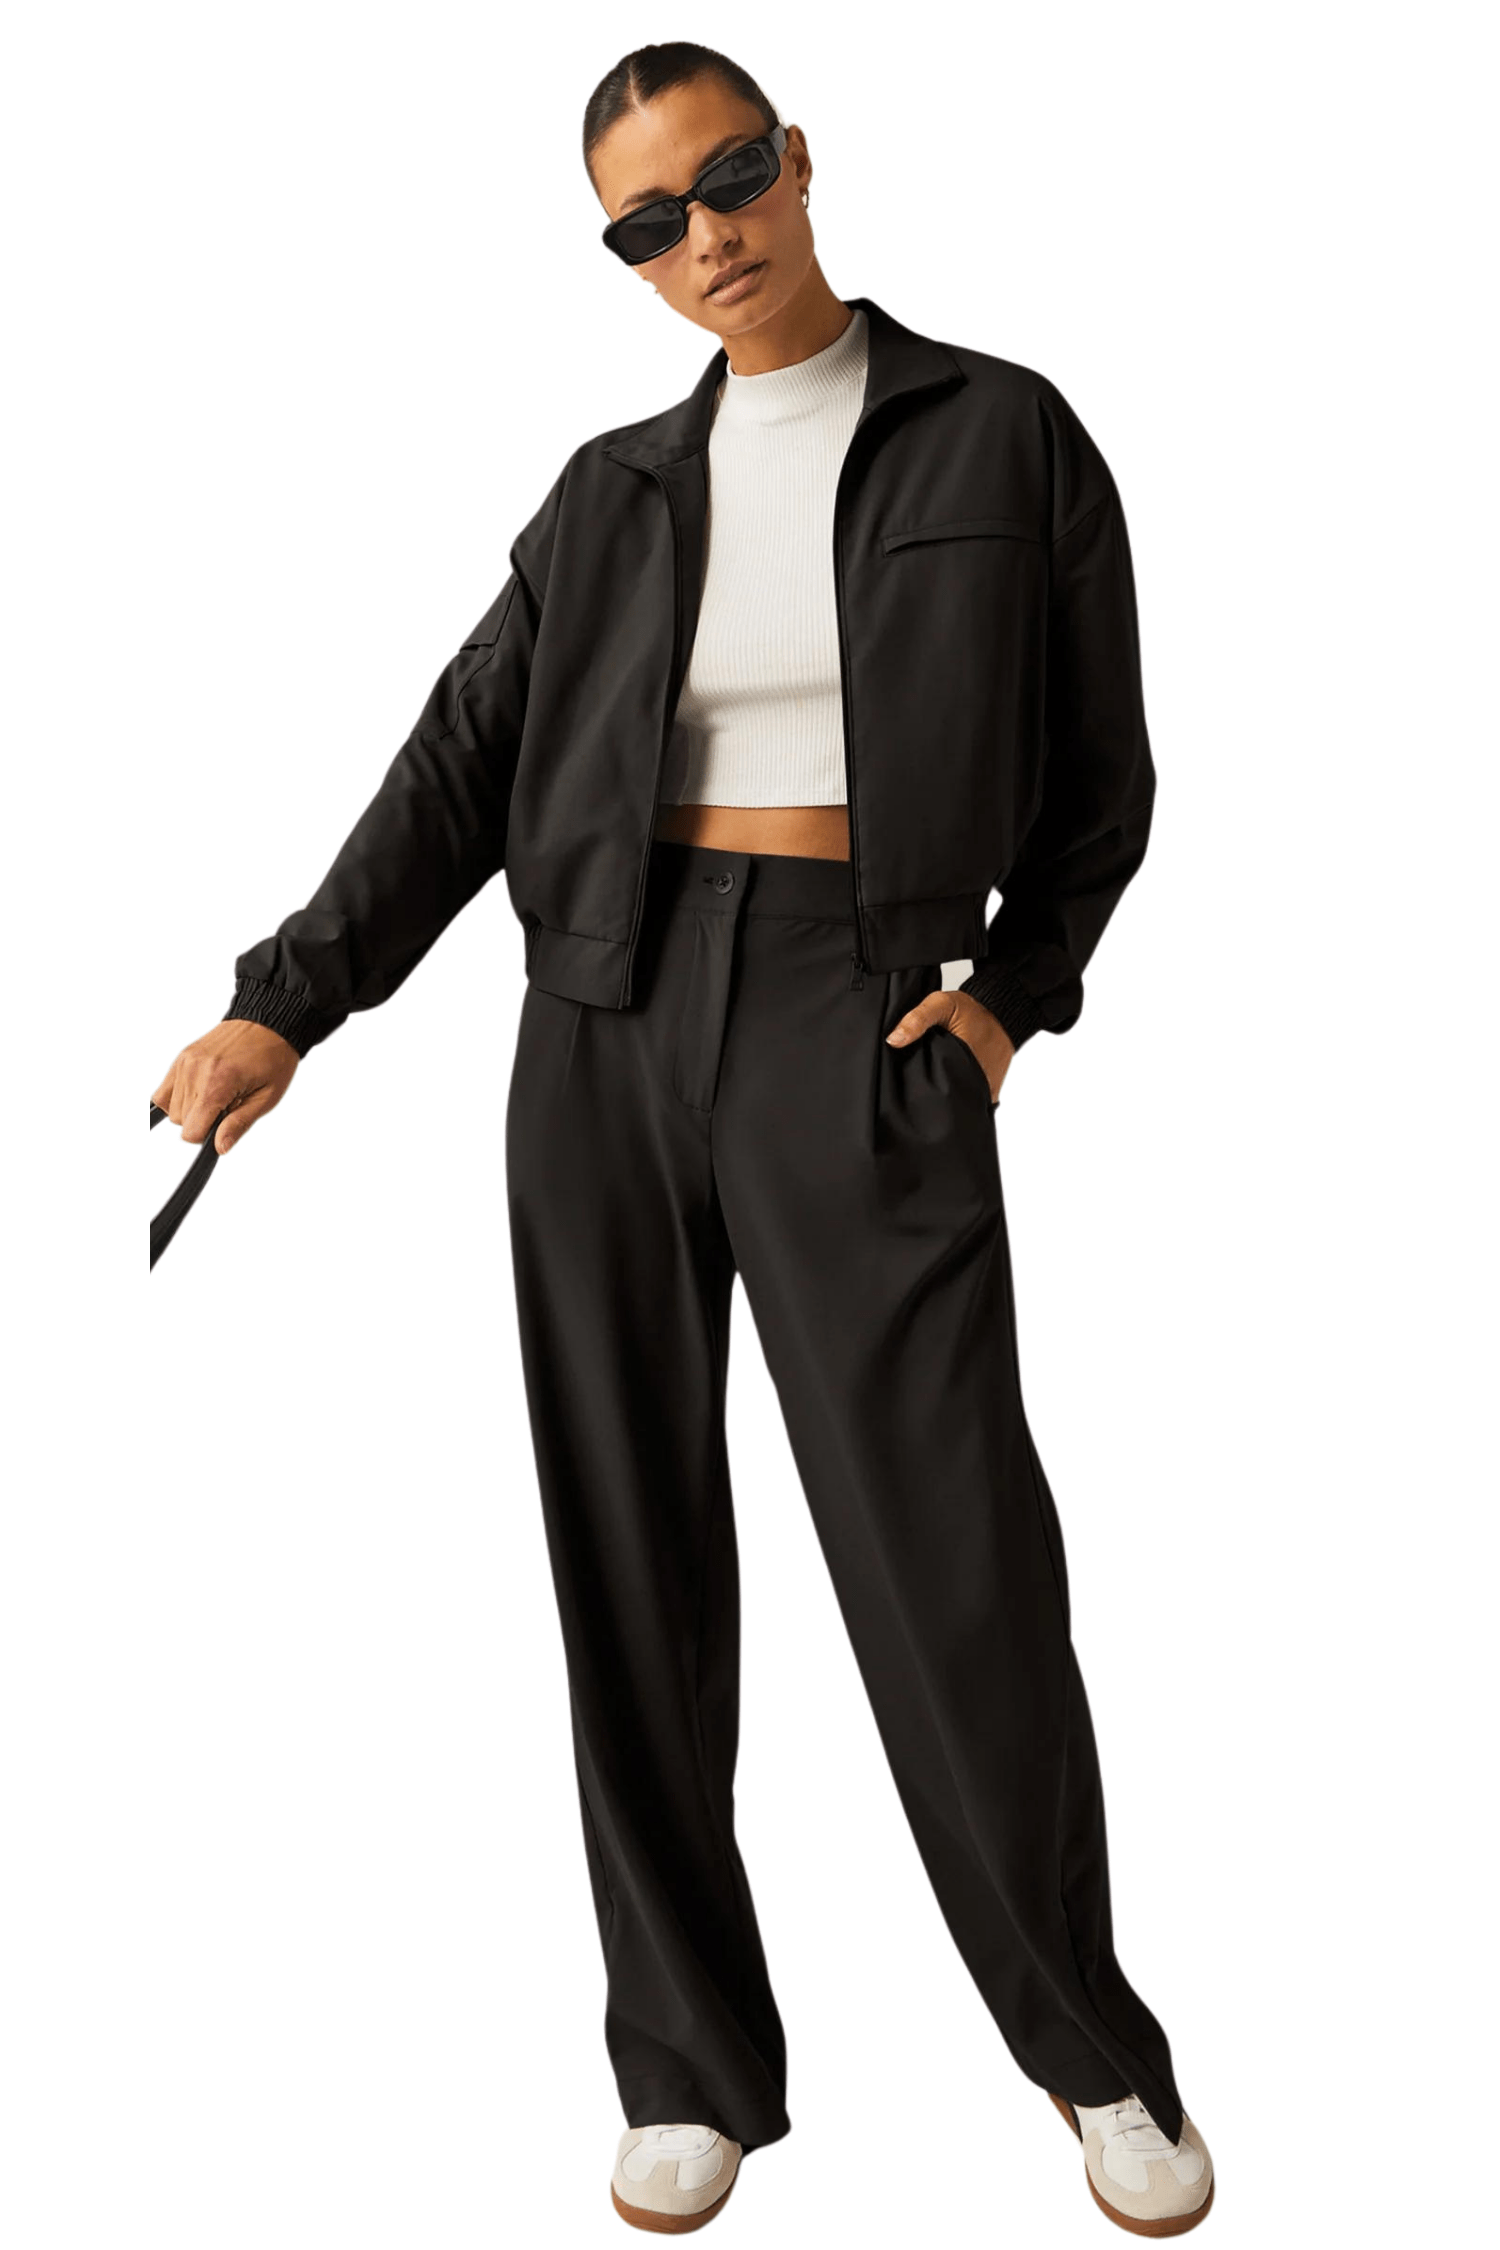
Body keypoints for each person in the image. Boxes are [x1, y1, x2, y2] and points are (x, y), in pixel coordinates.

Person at [151, 41, 1215, 2239]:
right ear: (624, 256)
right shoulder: (610, 491)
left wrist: (1010, 999)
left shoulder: (999, 431)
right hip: (601, 1017)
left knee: (954, 1558)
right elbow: (461, 761)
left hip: (865, 1008)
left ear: (797, 162)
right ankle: (688, 2063)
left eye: (727, 180)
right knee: (628, 1546)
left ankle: (1093, 2055)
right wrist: (284, 1000)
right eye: (648, 221)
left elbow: (1105, 772)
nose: (704, 237)